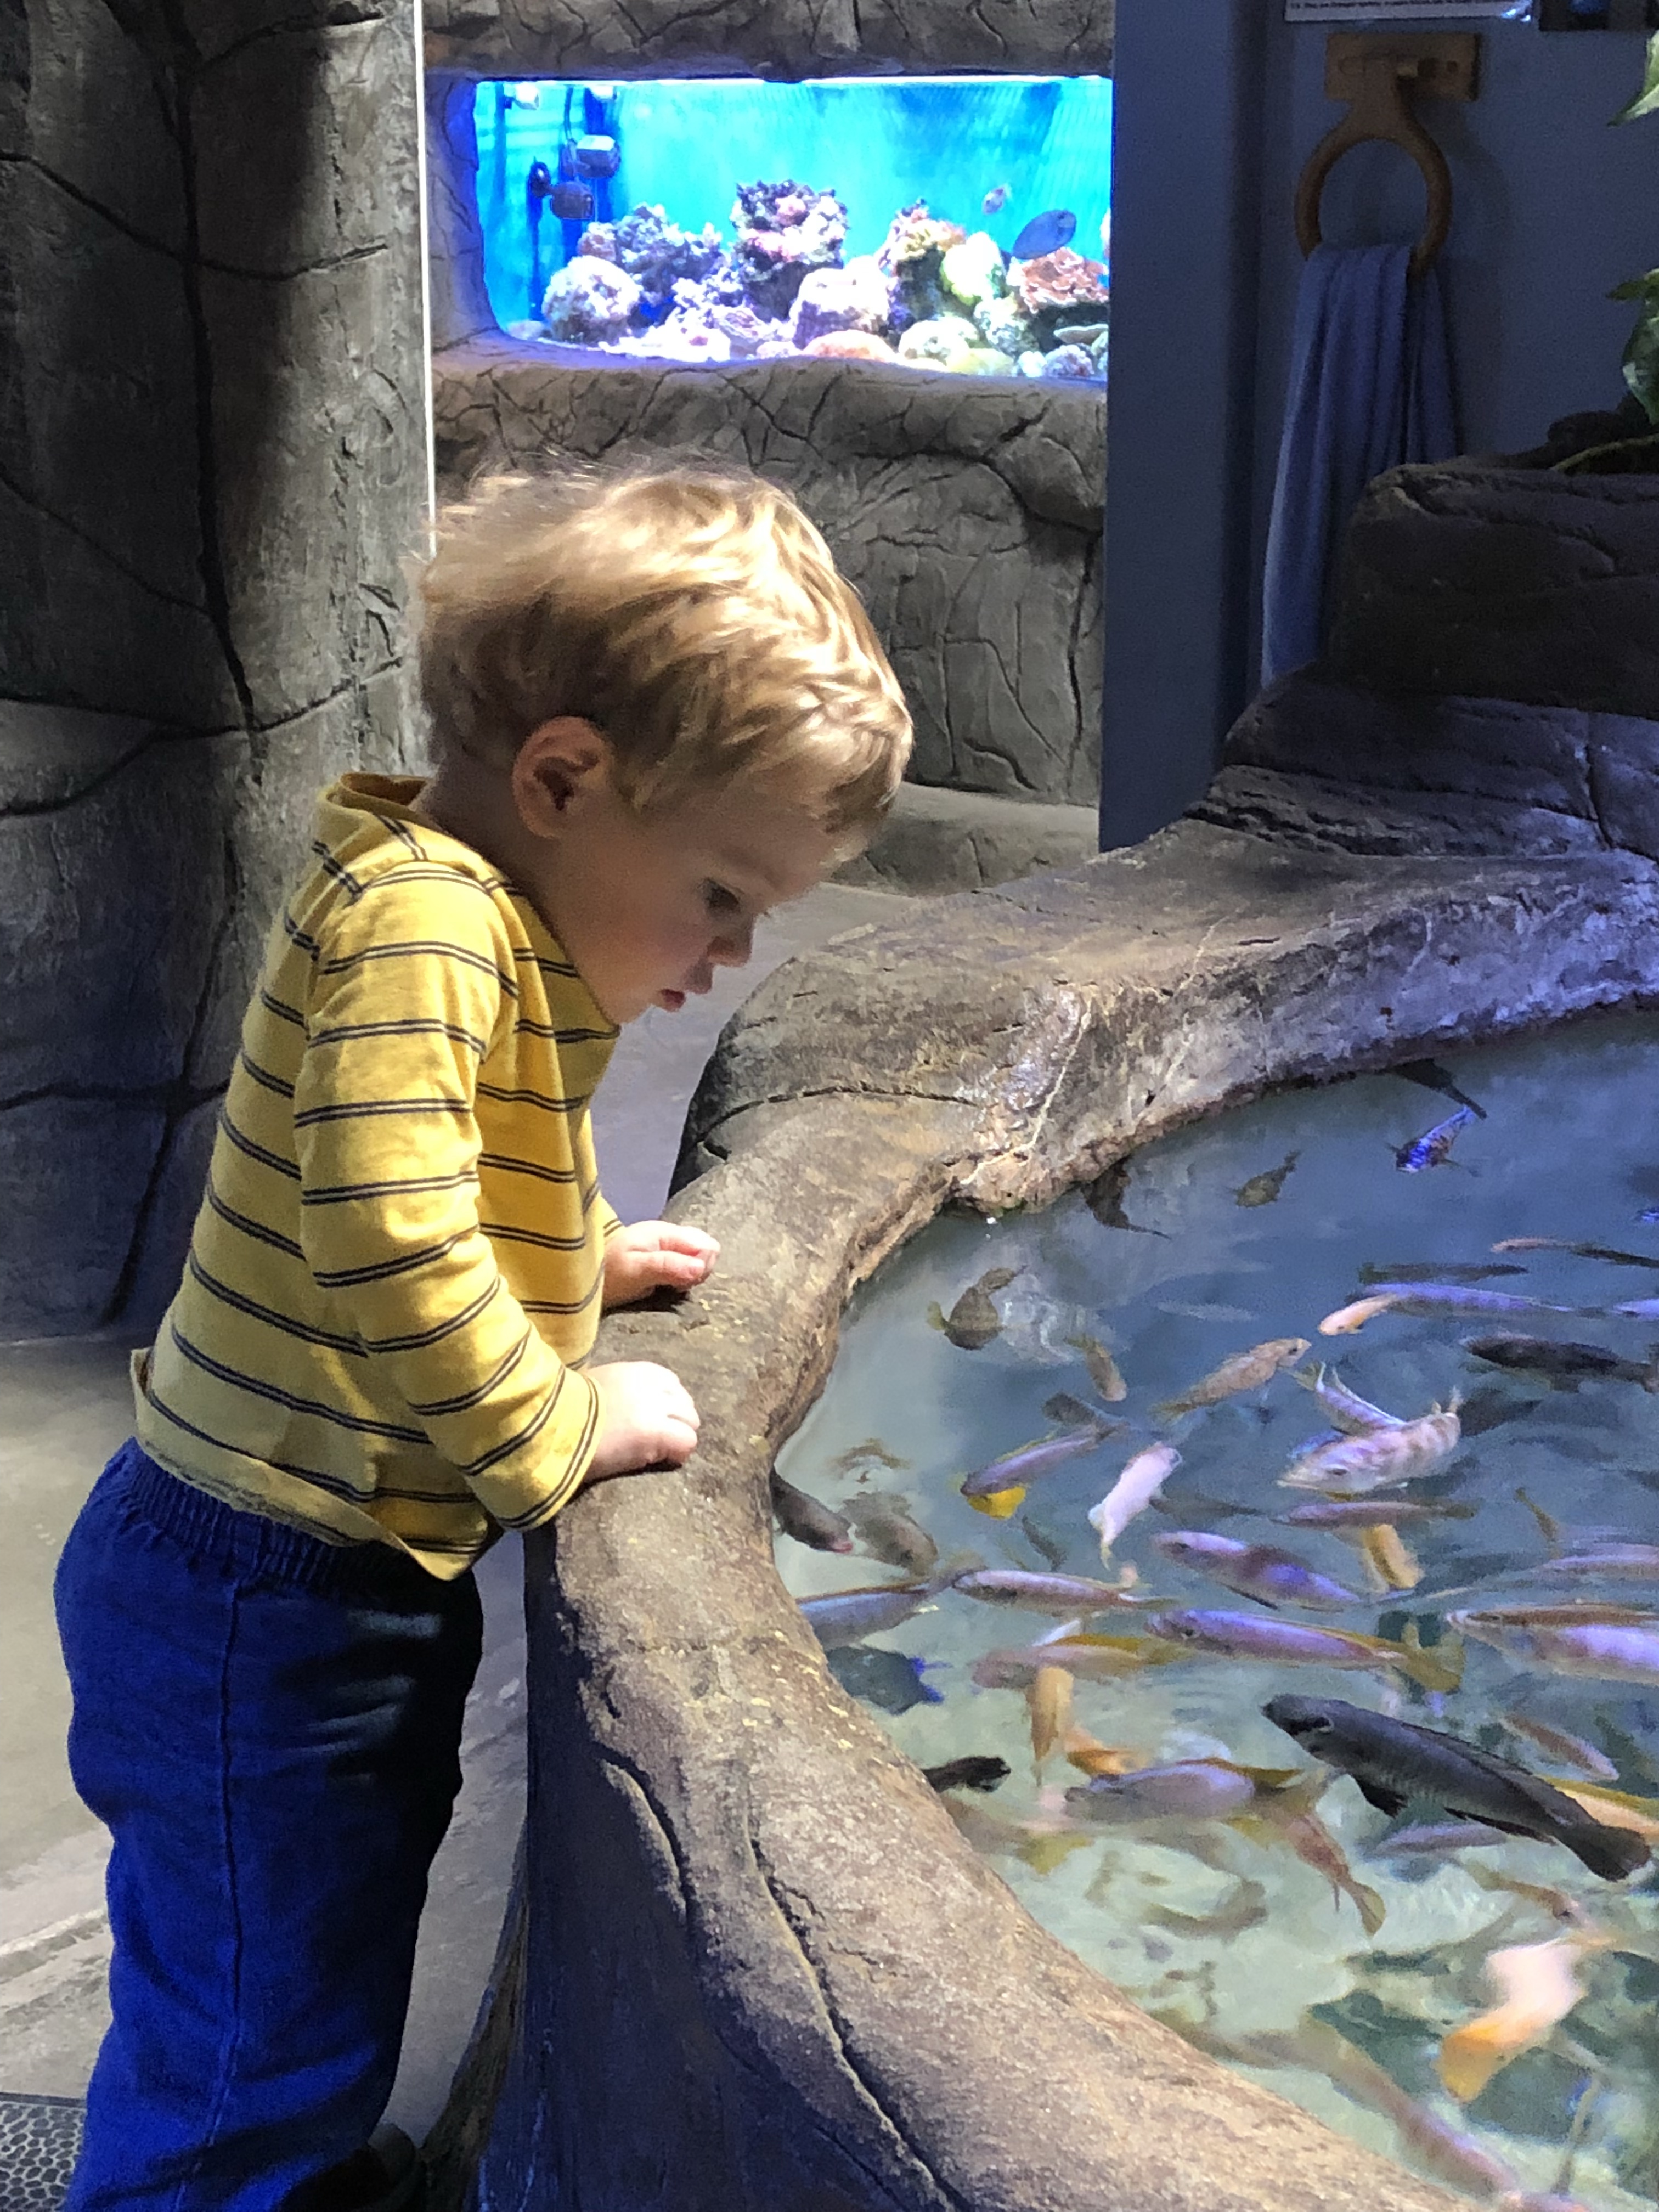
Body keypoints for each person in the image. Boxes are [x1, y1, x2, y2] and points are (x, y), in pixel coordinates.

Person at [53, 464, 913, 2212]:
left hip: (290, 1577)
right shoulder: (429, 924)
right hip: (263, 1595)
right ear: (566, 780)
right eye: (721, 891)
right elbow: (386, 1226)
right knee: (243, 2030)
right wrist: (552, 1425)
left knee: (300, 1963)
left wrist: (570, 1258)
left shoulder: (471, 906)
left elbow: (434, 1160)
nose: (732, 952)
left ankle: (284, 2158)